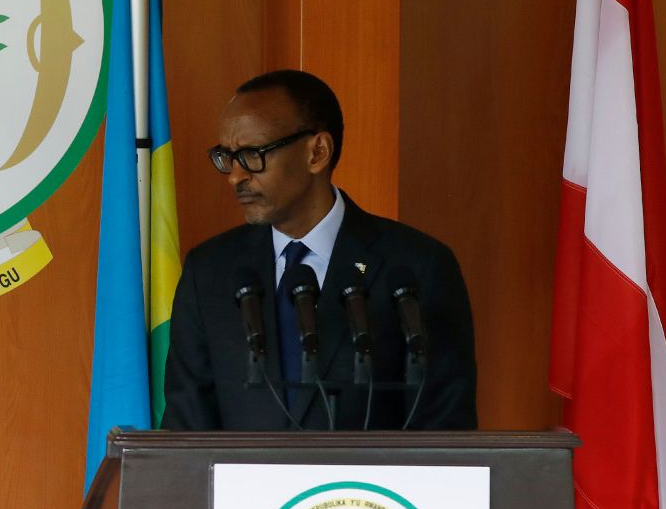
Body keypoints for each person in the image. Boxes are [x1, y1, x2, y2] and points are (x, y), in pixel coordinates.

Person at [163, 69, 476, 430]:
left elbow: (446, 432)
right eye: (227, 157)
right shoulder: (210, 273)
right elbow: (185, 432)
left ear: (317, 152)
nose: (236, 176)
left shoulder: (417, 267)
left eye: (252, 155)